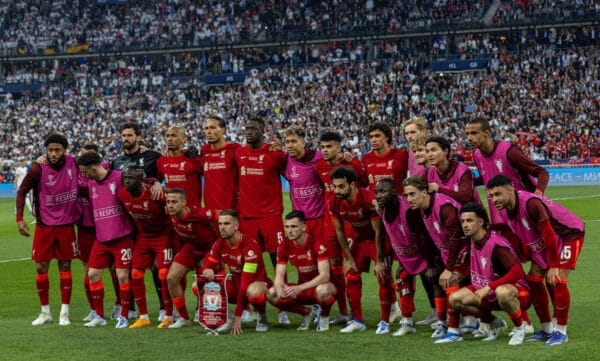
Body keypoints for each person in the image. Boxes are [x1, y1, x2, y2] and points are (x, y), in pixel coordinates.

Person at [487, 174, 585, 346]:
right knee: (533, 279)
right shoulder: (504, 209)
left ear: (510, 189)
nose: (494, 199)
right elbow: (523, 232)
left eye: (498, 194)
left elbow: (548, 233)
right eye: (491, 195)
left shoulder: (531, 204)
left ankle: (561, 331)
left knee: (558, 280)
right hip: (546, 242)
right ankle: (546, 328)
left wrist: (554, 266)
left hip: (569, 233)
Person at [16, 134, 80, 326]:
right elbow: (21, 192)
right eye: (50, 150)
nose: (53, 153)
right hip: (44, 226)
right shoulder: (37, 169)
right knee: (41, 267)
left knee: (65, 266)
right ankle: (45, 312)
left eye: (57, 150)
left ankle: (64, 313)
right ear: (45, 150)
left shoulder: (74, 164)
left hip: (67, 225)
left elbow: (97, 164)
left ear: (65, 150)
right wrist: (20, 219)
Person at [447, 202, 531, 345]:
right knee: (455, 299)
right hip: (488, 290)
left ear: (481, 222)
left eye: (469, 220)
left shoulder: (496, 244)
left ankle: (519, 328)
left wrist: (489, 287)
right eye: (463, 221)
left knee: (502, 291)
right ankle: (495, 323)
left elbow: (517, 272)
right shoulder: (474, 238)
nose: (465, 225)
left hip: (517, 293)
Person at [402, 176, 471, 341]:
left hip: (464, 253)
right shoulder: (420, 209)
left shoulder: (444, 207)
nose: (409, 199)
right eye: (406, 195)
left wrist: (449, 269)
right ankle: (444, 323)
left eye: (412, 194)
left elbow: (455, 239)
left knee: (452, 284)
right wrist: (432, 263)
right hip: (447, 255)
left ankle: (454, 331)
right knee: (436, 279)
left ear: (424, 192)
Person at [235, 117, 289, 324]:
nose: (249, 132)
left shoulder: (275, 154)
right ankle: (253, 308)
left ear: (263, 131)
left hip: (270, 216)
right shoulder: (239, 153)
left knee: (278, 261)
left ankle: (282, 306)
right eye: (247, 128)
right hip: (247, 217)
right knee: (250, 262)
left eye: (254, 129)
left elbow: (294, 169)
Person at [329, 166, 395, 334]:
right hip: (360, 240)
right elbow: (339, 231)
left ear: (353, 184)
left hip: (379, 240)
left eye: (341, 186)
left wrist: (379, 261)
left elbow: (379, 232)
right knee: (351, 275)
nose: (337, 190)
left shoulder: (368, 199)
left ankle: (385, 321)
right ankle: (358, 320)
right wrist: (349, 258)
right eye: (335, 186)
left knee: (383, 276)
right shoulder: (334, 201)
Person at [110, 122, 166, 320]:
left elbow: (166, 176)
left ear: (139, 137)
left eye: (130, 135)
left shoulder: (153, 157)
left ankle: (163, 308)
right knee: (129, 265)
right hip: (127, 222)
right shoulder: (116, 162)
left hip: (151, 221)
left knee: (156, 266)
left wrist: (158, 182)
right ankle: (130, 308)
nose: (126, 139)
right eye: (123, 135)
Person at [375, 178, 442, 336]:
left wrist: (431, 262)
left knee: (435, 280)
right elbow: (385, 235)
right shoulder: (383, 209)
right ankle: (407, 321)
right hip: (406, 255)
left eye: (383, 192)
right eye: (377, 192)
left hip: (425, 253)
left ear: (394, 192)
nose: (378, 196)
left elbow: (424, 236)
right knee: (402, 278)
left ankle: (444, 320)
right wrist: (380, 259)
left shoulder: (409, 209)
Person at [315, 130, 367, 325]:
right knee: (335, 269)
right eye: (323, 147)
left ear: (339, 147)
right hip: (330, 223)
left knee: (351, 268)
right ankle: (343, 312)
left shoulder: (350, 163)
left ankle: (358, 313)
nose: (325, 151)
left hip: (350, 222)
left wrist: (352, 160)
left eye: (329, 147)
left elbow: (363, 183)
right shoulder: (319, 166)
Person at [77, 151, 134, 328]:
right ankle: (99, 316)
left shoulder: (119, 177)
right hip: (102, 238)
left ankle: (124, 315)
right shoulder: (92, 184)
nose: (84, 175)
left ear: (94, 168)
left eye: (85, 172)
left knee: (122, 276)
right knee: (93, 274)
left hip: (122, 237)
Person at [118, 166, 176, 329]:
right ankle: (143, 316)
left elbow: (176, 197)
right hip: (143, 237)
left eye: (131, 178)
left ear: (141, 180)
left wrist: (159, 184)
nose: (127, 181)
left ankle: (169, 316)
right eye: (125, 178)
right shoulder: (122, 194)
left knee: (163, 274)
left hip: (163, 236)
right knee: (136, 274)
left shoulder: (155, 194)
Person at [465, 117, 549, 227]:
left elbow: (542, 172)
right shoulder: (476, 155)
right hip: (500, 218)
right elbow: (487, 178)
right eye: (467, 134)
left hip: (525, 214)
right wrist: (465, 181)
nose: (469, 138)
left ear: (486, 133)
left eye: (474, 133)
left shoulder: (510, 152)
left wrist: (538, 194)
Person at [202, 210, 272, 334]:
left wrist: (238, 316)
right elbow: (207, 266)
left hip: (255, 285)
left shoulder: (249, 246)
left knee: (253, 292)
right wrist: (207, 271)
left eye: (226, 224)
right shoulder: (219, 243)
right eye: (220, 224)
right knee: (200, 285)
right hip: (236, 286)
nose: (222, 228)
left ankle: (261, 315)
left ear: (236, 226)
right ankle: (226, 316)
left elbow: (245, 283)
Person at [266, 211, 336, 331]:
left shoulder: (316, 243)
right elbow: (279, 274)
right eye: (287, 227)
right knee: (271, 293)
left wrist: (300, 288)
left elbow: (325, 276)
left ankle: (324, 317)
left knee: (323, 290)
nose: (289, 230)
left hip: (324, 288)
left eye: (294, 226)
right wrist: (279, 287)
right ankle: (306, 313)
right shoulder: (284, 245)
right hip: (303, 290)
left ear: (303, 227)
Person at [165, 188, 218, 329]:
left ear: (184, 202)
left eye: (174, 202)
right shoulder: (172, 214)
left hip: (209, 248)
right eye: (168, 202)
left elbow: (224, 219)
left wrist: (220, 250)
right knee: (171, 278)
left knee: (203, 281)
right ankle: (183, 318)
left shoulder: (200, 214)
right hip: (191, 247)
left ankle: (209, 312)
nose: (170, 205)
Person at [154, 126, 203, 207]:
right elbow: (156, 181)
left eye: (174, 136)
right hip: (173, 213)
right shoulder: (161, 161)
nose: (169, 139)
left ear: (184, 139)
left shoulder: (194, 159)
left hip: (193, 212)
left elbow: (210, 176)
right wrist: (157, 183)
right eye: (167, 136)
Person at [425, 136, 481, 205]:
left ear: (445, 151)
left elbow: (465, 198)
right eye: (427, 151)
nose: (429, 154)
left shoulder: (462, 170)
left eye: (433, 150)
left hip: (470, 214)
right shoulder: (431, 172)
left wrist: (439, 189)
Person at [201, 115, 241, 210]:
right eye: (206, 128)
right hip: (210, 211)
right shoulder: (204, 150)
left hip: (231, 211)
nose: (208, 132)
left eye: (213, 128)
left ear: (223, 130)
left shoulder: (235, 149)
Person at [361, 122, 409, 195]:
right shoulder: (366, 158)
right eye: (371, 137)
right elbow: (362, 183)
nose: (373, 140)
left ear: (387, 137)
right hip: (376, 204)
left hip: (398, 204)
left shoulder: (402, 155)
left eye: (377, 136)